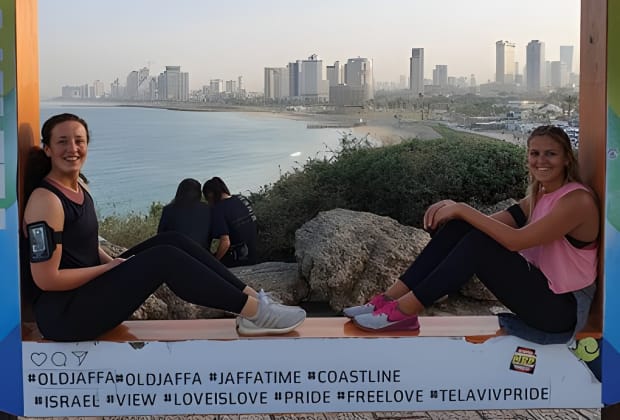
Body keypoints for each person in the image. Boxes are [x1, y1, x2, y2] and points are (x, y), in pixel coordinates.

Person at [21, 113, 306, 342]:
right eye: (62, 142)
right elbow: (46, 279)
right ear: (48, 149)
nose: (72, 149)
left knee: (171, 240)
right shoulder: (46, 202)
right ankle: (257, 313)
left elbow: (85, 244)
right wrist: (108, 270)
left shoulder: (79, 187)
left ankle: (254, 301)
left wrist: (113, 265)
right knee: (163, 258)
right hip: (65, 316)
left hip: (87, 294)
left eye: (79, 141)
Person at [344, 125, 599, 341]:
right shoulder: (540, 196)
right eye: (535, 153)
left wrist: (462, 209)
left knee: (480, 243)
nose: (541, 161)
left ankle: (403, 312)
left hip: (563, 311)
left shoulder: (577, 201)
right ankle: (388, 300)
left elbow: (515, 242)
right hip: (542, 295)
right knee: (462, 228)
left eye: (551, 154)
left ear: (567, 159)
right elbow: (484, 225)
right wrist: (456, 213)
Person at [202, 177, 258, 267]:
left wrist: (214, 262)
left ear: (210, 194)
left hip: (239, 259)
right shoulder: (242, 198)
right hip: (255, 253)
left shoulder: (218, 209)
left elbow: (225, 242)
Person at [158, 178, 211, 249]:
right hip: (201, 253)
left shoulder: (168, 210)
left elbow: (160, 235)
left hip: (176, 252)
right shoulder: (207, 209)